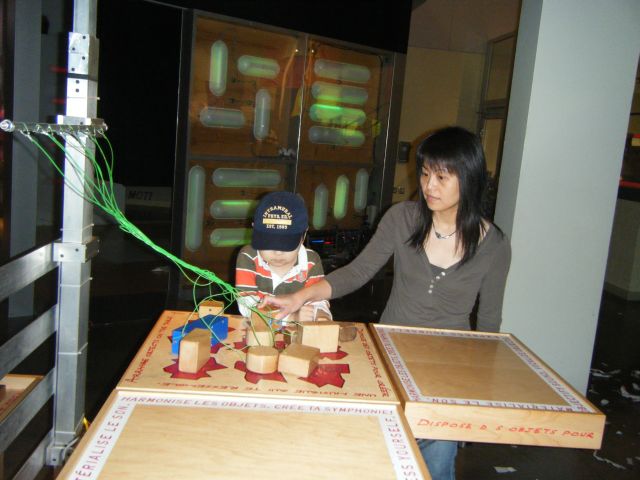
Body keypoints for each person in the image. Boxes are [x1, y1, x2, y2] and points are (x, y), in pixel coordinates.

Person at [261, 126, 511, 480]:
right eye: (425, 174)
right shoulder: (403, 218)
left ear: (468, 179)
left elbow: (489, 325)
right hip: (390, 353)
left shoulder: (495, 245)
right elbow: (357, 272)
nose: (429, 186)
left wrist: (476, 394)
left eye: (441, 176)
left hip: (448, 367)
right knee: (379, 452)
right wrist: (300, 295)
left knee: (437, 459)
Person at [235, 191, 332, 324]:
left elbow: (318, 299)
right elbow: (247, 306)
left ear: (303, 235)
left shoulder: (311, 261)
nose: (278, 252)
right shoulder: (248, 257)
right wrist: (290, 318)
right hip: (257, 331)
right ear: (254, 231)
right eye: (268, 242)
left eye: (286, 244)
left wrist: (321, 315)